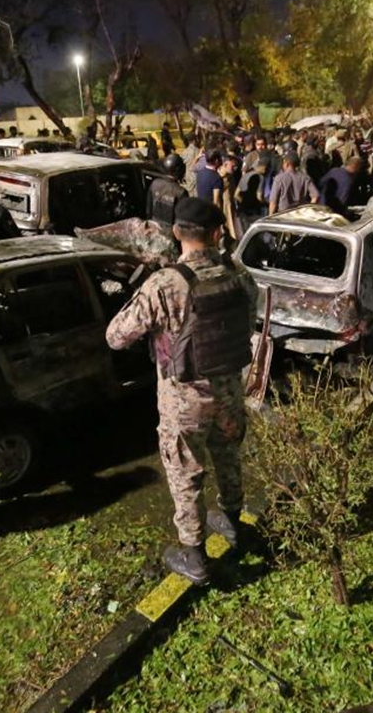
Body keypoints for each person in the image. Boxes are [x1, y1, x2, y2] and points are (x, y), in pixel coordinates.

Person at [106, 198, 256, 584]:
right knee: (227, 456)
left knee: (184, 470)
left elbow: (116, 337)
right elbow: (248, 316)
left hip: (184, 399)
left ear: (176, 233)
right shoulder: (239, 274)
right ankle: (232, 519)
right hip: (229, 390)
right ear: (218, 233)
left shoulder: (165, 285)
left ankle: (195, 555)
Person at [149, 155, 189, 226]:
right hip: (171, 232)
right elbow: (183, 219)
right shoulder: (181, 192)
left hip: (154, 227)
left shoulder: (155, 183)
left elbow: (148, 209)